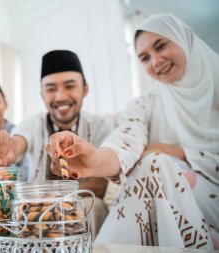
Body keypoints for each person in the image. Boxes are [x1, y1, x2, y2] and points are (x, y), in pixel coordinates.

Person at [46, 14, 218, 249]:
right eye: (145, 58)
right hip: (176, 198)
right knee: (154, 163)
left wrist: (180, 153)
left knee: (157, 162)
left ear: (183, 38)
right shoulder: (146, 103)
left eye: (161, 46)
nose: (156, 62)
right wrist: (94, 161)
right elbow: (127, 138)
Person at [0, 50, 116, 232]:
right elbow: (17, 142)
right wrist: (5, 149)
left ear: (85, 89)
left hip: (74, 210)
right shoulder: (33, 124)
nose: (60, 96)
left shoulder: (101, 125)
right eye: (51, 89)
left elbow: (100, 186)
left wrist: (53, 203)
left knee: (91, 206)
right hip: (33, 215)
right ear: (42, 94)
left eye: (69, 86)